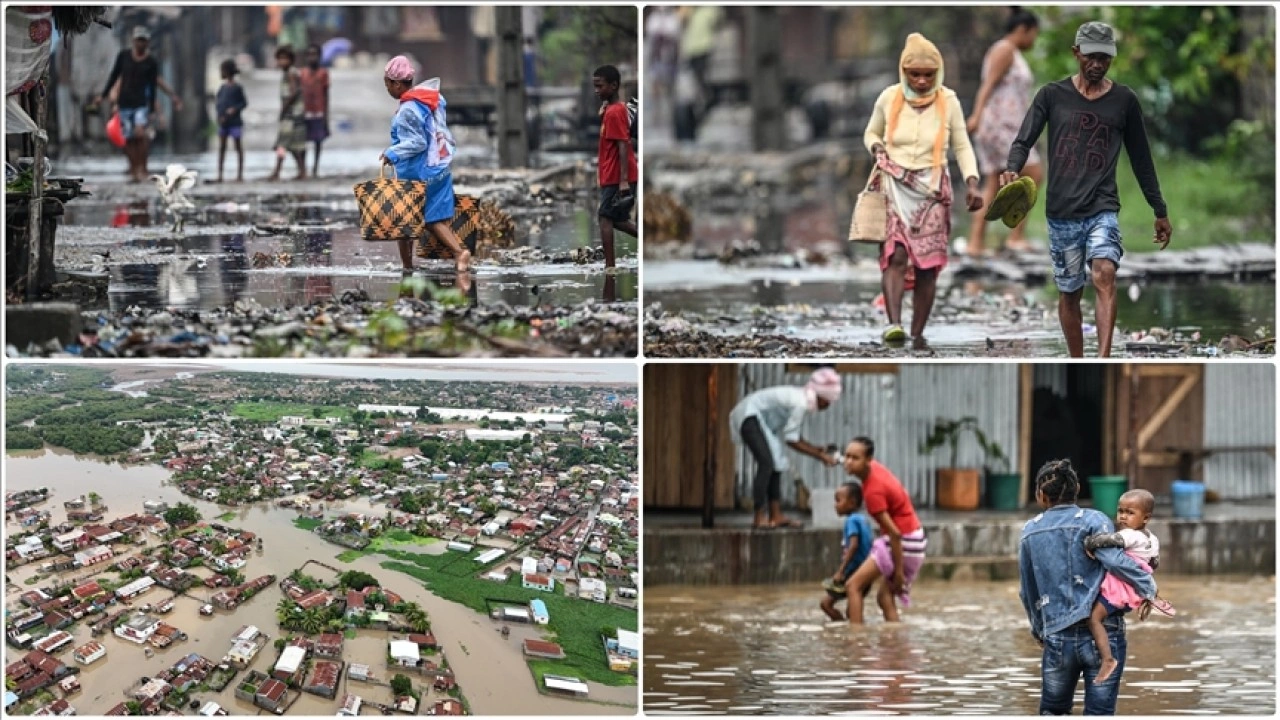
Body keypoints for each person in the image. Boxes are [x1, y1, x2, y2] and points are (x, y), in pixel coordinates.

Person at [1001, 22, 1172, 358]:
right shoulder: (1051, 95)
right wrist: (1011, 168)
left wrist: (1159, 209)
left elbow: (1141, 159)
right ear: (1076, 53)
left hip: (1101, 207)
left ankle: (1103, 358)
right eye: (1091, 57)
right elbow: (1024, 140)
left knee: (1105, 272)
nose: (1097, 64)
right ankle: (1079, 360)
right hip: (1061, 212)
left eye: (1104, 59)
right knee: (1069, 293)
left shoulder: (1124, 101)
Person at [864, 33, 984, 348]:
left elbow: (962, 146)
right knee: (896, 255)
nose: (920, 81)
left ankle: (918, 333)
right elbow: (871, 131)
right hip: (894, 187)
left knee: (927, 266)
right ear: (903, 72)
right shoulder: (888, 98)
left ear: (938, 73)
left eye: (928, 75)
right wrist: (877, 146)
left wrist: (972, 182)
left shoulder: (949, 102)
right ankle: (894, 325)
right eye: (913, 74)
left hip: (932, 192)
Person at [1019, 459, 1158, 715]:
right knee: (1100, 713)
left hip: (1057, 635)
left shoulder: (1030, 530)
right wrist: (1148, 585)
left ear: (1040, 495)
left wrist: (1040, 630)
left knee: (1053, 712)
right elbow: (1114, 561)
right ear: (1078, 488)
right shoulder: (1095, 520)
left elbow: (1027, 591)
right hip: (1104, 633)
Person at [380, 55, 471, 276]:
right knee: (435, 217)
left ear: (397, 83)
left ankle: (419, 264)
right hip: (439, 166)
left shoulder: (408, 110)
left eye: (388, 84)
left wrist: (392, 153)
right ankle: (452, 255)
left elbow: (417, 142)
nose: (387, 89)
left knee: (406, 220)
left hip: (419, 171)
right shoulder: (431, 100)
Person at [967, 7, 1043, 255]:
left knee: (994, 183)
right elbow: (987, 85)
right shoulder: (1005, 50)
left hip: (1008, 126)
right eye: (1033, 34)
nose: (1033, 40)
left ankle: (975, 244)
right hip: (1000, 125)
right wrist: (977, 115)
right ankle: (1015, 237)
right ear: (1023, 30)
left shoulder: (1011, 52)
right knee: (1032, 173)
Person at [728, 368, 842, 530]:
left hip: (761, 421)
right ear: (822, 397)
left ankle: (776, 515)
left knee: (777, 463)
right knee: (767, 463)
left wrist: (819, 449)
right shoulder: (801, 403)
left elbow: (793, 435)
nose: (828, 405)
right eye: (828, 401)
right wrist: (819, 455)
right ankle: (759, 516)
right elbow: (792, 441)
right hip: (750, 415)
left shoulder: (803, 399)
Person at [1083, 489, 1175, 684]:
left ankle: (1107, 659)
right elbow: (1154, 563)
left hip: (1119, 588)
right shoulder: (1152, 538)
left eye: (1130, 513)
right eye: (1120, 511)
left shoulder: (1130, 535)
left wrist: (1089, 543)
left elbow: (1111, 540)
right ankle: (1149, 598)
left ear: (1145, 518)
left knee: (1093, 618)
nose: (1123, 517)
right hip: (1130, 590)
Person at [840, 436, 926, 624]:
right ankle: (897, 641)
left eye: (855, 458)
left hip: (904, 541)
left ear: (868, 460)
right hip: (916, 537)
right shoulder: (874, 470)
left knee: (853, 586)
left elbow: (894, 533)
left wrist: (899, 572)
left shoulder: (872, 493)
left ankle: (856, 640)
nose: (848, 462)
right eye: (846, 456)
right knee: (884, 597)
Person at [95, 25, 183, 183]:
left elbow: (153, 85)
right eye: (138, 40)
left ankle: (143, 167)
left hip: (141, 104)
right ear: (133, 41)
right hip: (125, 103)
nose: (141, 44)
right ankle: (134, 168)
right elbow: (114, 76)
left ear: (147, 43)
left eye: (143, 41)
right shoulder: (123, 57)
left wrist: (151, 109)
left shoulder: (151, 62)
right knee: (128, 138)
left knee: (140, 135)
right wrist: (103, 96)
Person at [593, 65, 638, 270]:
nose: (596, 90)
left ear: (613, 86)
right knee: (616, 218)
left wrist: (623, 180)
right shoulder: (610, 111)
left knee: (605, 216)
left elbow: (622, 144)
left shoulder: (616, 111)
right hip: (610, 173)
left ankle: (610, 265)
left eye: (600, 86)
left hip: (617, 175)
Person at [820, 482, 875, 621]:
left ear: (851, 503)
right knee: (853, 612)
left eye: (838, 500)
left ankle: (844, 630)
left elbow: (854, 545)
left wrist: (841, 571)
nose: (835, 505)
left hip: (853, 573)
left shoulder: (851, 521)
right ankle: (849, 633)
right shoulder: (864, 520)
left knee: (826, 604)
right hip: (866, 572)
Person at [269, 45, 308, 181]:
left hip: (292, 113)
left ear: (291, 60)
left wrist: (285, 108)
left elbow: (294, 91)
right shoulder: (288, 73)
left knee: (283, 143)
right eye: (280, 59)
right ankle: (302, 171)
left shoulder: (291, 73)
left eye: (284, 59)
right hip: (292, 113)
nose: (281, 62)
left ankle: (277, 171)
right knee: (291, 145)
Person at [299, 44, 331, 178]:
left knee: (318, 141)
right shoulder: (302, 73)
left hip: (318, 111)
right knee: (302, 141)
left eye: (315, 55)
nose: (312, 58)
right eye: (310, 54)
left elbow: (326, 95)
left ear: (319, 56)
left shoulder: (323, 73)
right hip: (304, 111)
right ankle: (303, 169)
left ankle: (315, 168)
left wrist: (326, 116)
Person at [213, 60, 247, 184]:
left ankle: (240, 175)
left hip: (235, 122)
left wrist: (234, 109)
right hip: (223, 122)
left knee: (238, 147)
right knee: (222, 148)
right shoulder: (222, 88)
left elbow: (244, 103)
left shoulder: (237, 87)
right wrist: (219, 116)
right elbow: (218, 103)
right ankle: (220, 174)